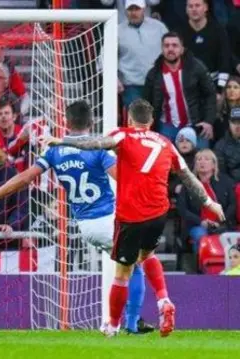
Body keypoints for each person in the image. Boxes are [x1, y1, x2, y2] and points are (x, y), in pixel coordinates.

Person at [39, 99, 225, 337]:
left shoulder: (123, 135)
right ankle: (163, 300)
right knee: (147, 255)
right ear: (150, 121)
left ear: (129, 119)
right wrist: (210, 203)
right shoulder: (165, 142)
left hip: (130, 215)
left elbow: (97, 143)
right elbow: (188, 177)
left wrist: (62, 140)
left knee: (123, 271)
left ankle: (113, 326)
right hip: (159, 213)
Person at [0, 100, 152, 334]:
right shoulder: (98, 150)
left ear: (65, 122)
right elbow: (124, 181)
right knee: (137, 265)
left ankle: (126, 321)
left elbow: (24, 178)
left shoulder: (54, 151)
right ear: (91, 122)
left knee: (129, 266)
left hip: (84, 224)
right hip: (106, 218)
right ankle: (130, 323)